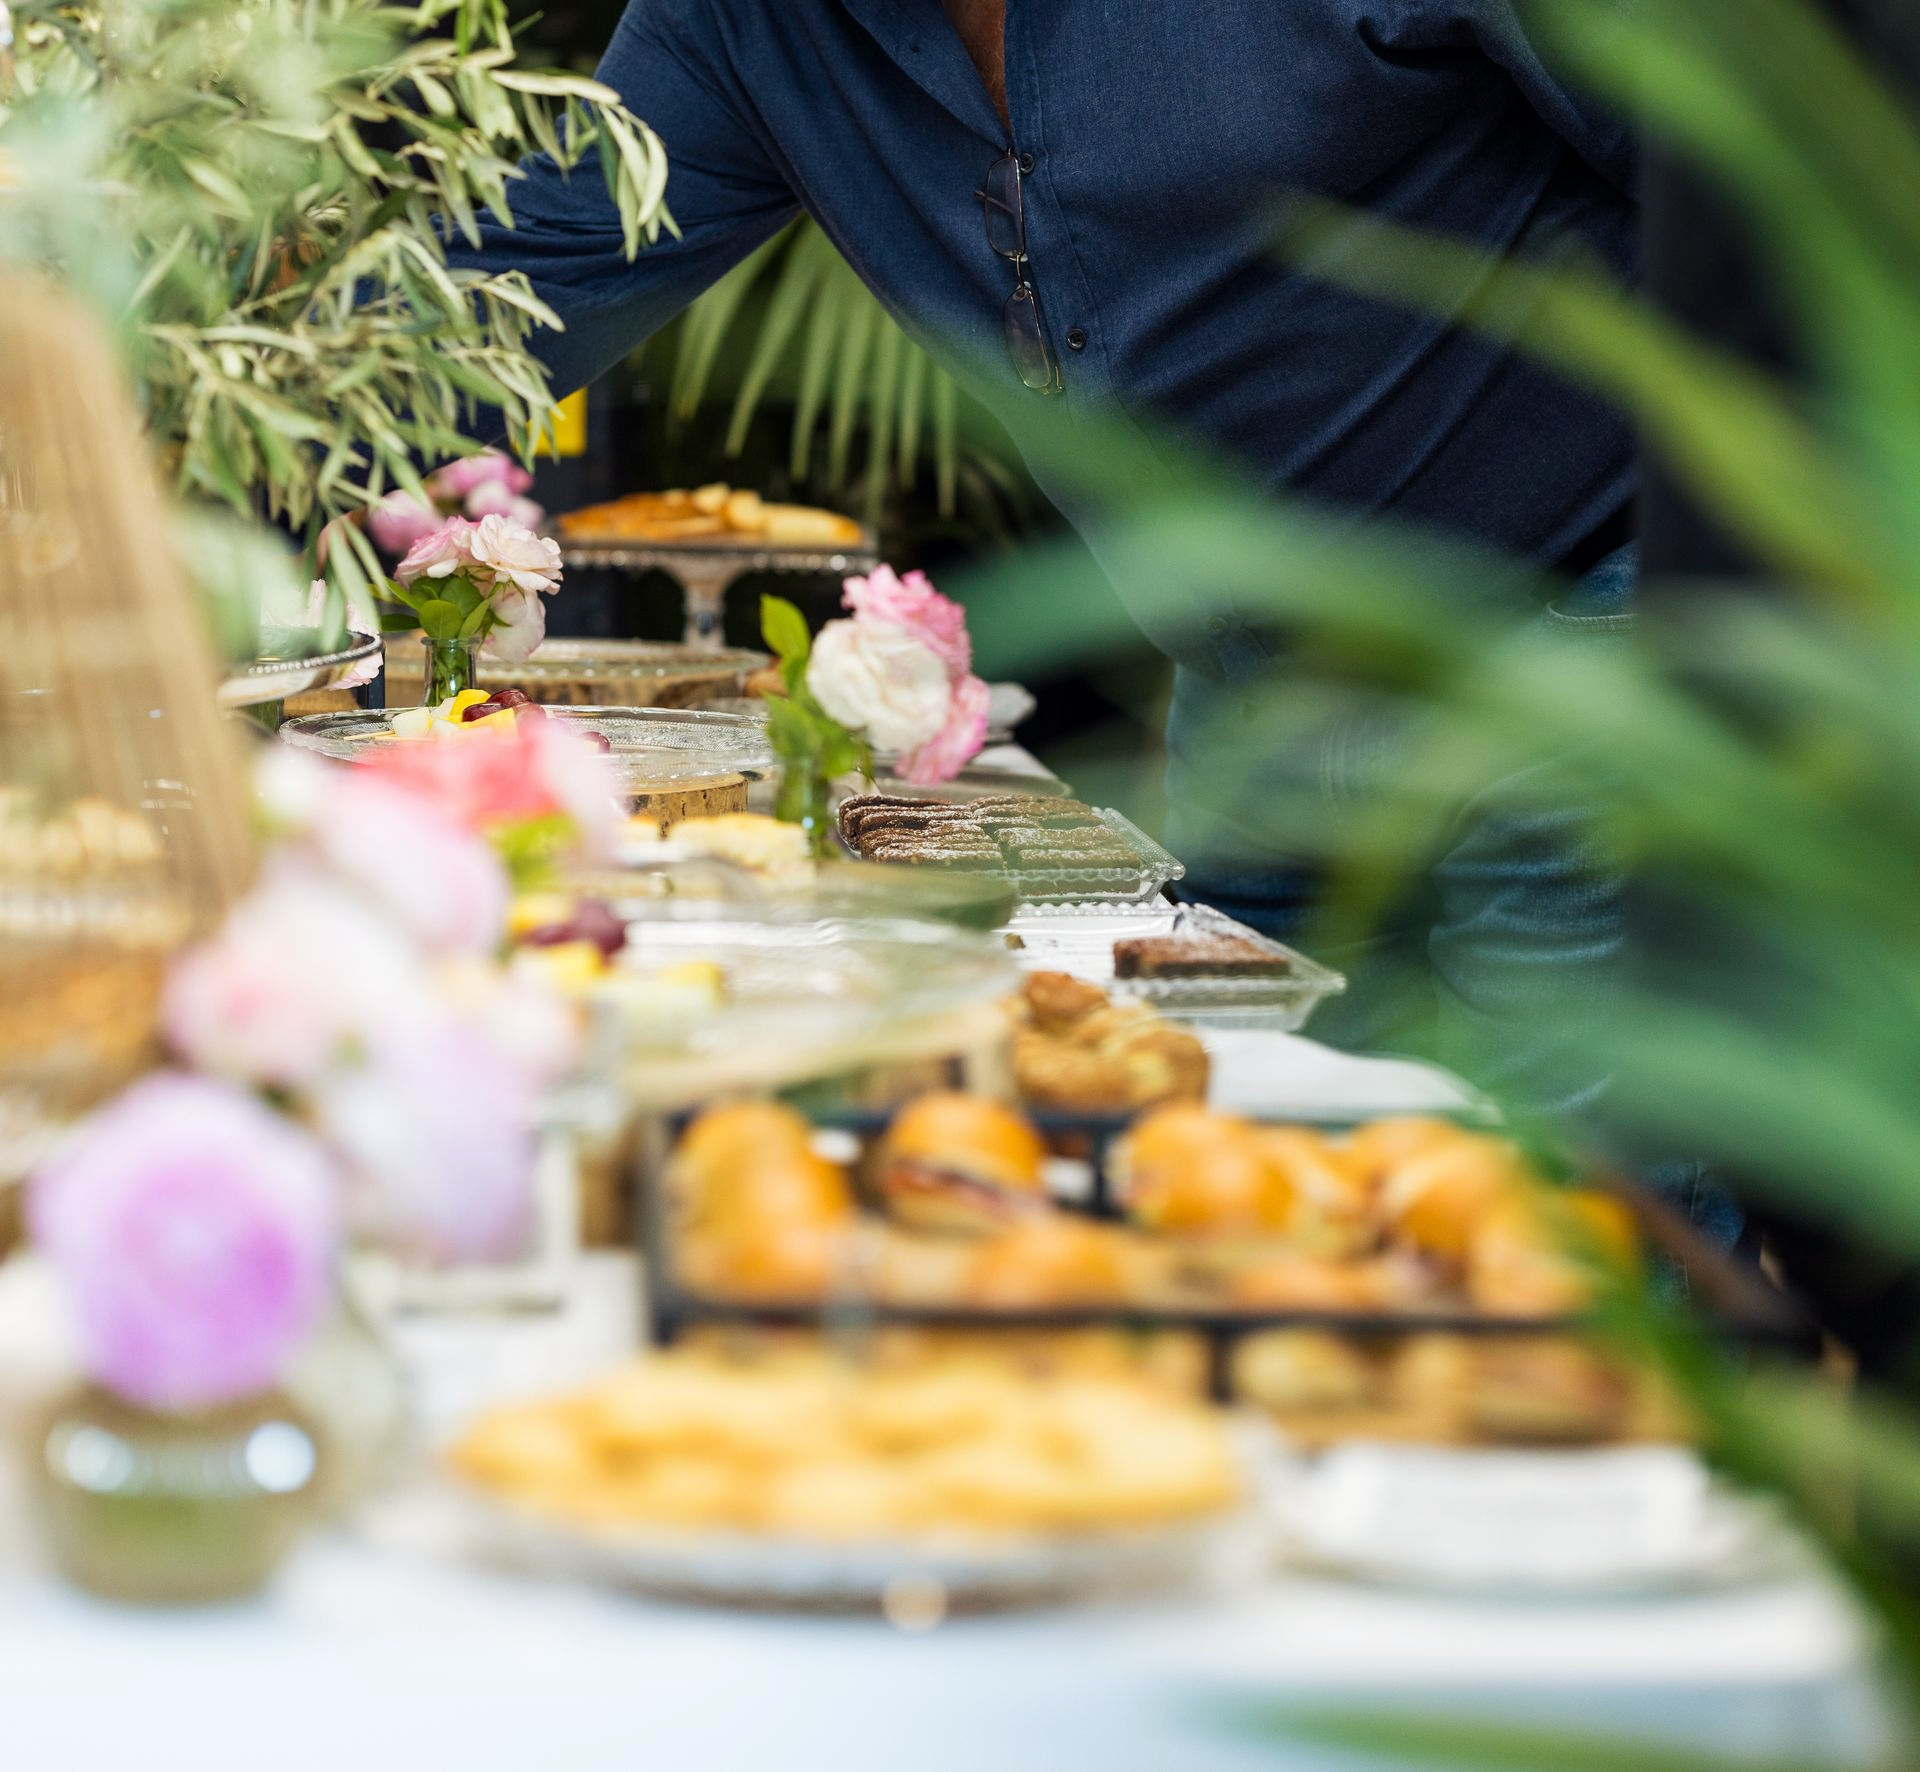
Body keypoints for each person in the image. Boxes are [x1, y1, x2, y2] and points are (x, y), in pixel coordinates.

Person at [439, 0, 1638, 1114]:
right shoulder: (745, 20)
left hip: (1575, 636)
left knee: (1598, 1250)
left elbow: (1746, 180)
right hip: (1253, 705)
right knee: (1253, 1192)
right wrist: (265, 405)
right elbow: (499, 301)